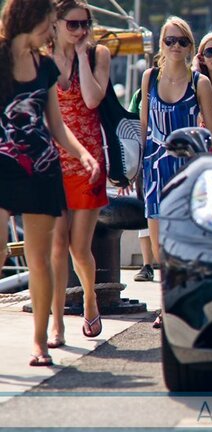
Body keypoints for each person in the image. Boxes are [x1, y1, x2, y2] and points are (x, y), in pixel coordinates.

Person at [0, 0, 99, 366]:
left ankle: (40, 342)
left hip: (42, 169)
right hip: (2, 166)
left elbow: (56, 125)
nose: (50, 30)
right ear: (28, 20)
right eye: (47, 22)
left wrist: (83, 154)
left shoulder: (45, 68)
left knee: (40, 260)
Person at [139, 16, 212, 327]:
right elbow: (143, 127)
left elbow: (211, 131)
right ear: (162, 43)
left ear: (190, 46)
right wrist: (134, 171)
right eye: (170, 40)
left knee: (185, 243)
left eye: (182, 41)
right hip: (155, 168)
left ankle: (183, 303)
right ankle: (166, 308)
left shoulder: (199, 82)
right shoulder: (149, 77)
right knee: (160, 247)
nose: (175, 46)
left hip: (186, 171)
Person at [47, 0, 109, 348]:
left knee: (78, 248)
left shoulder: (98, 54)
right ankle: (57, 324)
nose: (81, 30)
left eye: (85, 23)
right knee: (57, 246)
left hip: (88, 161)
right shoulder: (42, 57)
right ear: (56, 23)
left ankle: (89, 297)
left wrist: (82, 55)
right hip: (53, 163)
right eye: (73, 24)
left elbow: (90, 100)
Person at [128, 88, 156, 282]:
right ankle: (147, 264)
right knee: (146, 210)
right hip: (147, 157)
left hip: (175, 157)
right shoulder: (142, 93)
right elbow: (131, 122)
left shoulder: (189, 85)